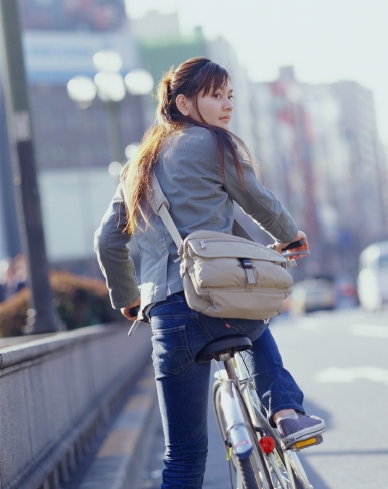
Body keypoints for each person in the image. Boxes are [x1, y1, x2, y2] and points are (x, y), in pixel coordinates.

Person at [94, 57, 325, 488]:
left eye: (229, 96)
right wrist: (290, 236)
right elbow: (258, 200)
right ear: (182, 102)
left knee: (182, 458)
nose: (226, 105)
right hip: (220, 297)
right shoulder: (214, 144)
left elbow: (107, 241)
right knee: (254, 321)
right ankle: (287, 413)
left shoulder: (135, 168)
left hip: (168, 316)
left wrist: (128, 298)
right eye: (215, 95)